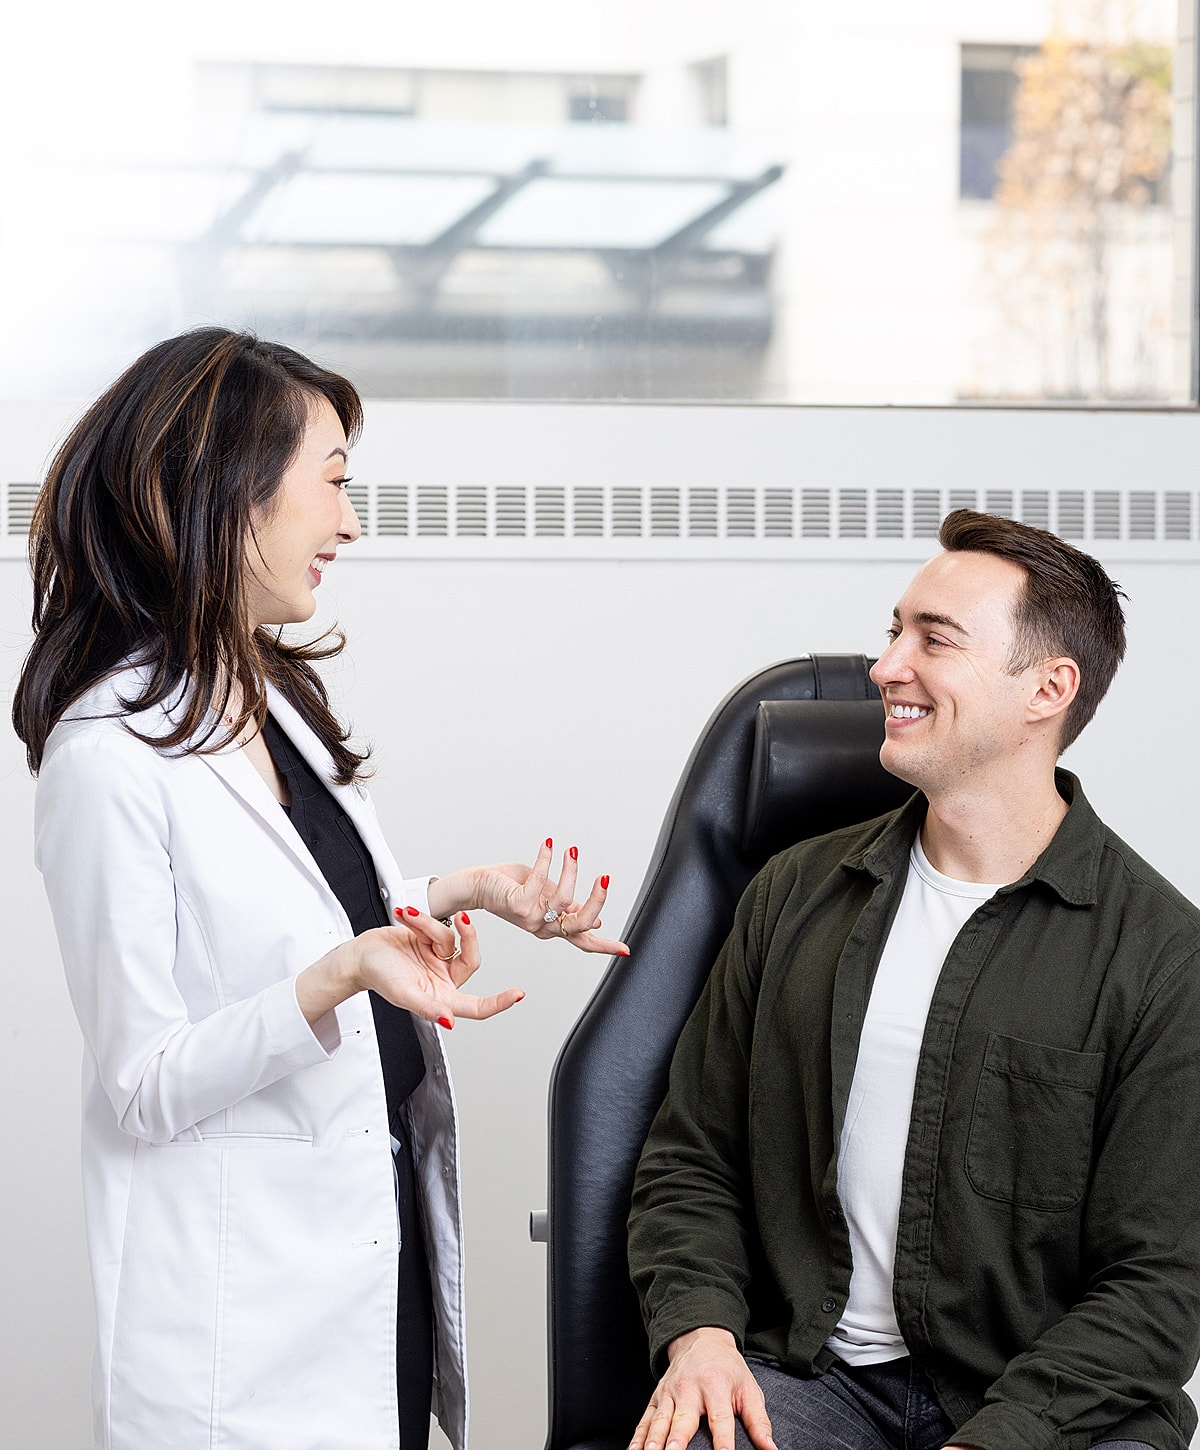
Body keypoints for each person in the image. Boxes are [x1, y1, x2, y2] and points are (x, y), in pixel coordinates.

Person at [12, 326, 628, 1450]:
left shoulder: (263, 692)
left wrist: (458, 894)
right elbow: (145, 1079)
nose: (350, 522)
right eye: (333, 482)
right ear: (224, 488)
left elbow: (320, 903)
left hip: (365, 1265)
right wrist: (338, 975)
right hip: (242, 1330)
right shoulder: (107, 756)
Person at [627, 510, 1200, 1450]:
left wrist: (994, 1439)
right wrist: (700, 1336)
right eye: (895, 631)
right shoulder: (794, 896)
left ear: (1047, 690)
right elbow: (693, 1159)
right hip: (820, 1383)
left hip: (1052, 1411)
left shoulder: (1164, 958)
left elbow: (1161, 1284)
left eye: (934, 639)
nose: (887, 665)